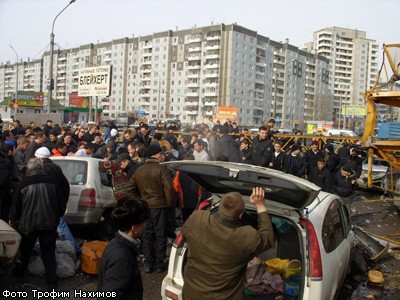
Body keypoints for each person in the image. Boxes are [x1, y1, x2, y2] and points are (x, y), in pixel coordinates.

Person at [181, 187, 274, 299]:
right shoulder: (246, 238)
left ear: (220, 206)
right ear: (240, 215)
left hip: (191, 294)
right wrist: (260, 205)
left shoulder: (197, 218)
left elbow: (185, 236)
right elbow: (268, 238)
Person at [9, 158, 66, 289]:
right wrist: (56, 216)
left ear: (29, 169)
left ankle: (19, 274)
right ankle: (52, 281)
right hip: (49, 223)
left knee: (25, 251)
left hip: (28, 224)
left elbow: (16, 205)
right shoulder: (54, 182)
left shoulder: (23, 183)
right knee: (49, 253)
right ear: (41, 168)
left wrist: (13, 219)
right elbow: (61, 205)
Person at [126, 142, 176, 273]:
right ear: (157, 155)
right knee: (161, 235)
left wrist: (139, 202)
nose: (163, 156)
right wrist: (170, 204)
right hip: (160, 207)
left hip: (145, 207)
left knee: (147, 236)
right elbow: (169, 189)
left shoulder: (139, 170)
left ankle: (149, 263)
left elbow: (129, 189)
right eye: (162, 154)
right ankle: (160, 263)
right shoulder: (162, 169)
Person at [97, 200, 149, 300]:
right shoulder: (122, 257)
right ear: (134, 228)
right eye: (143, 223)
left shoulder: (116, 243)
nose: (145, 226)